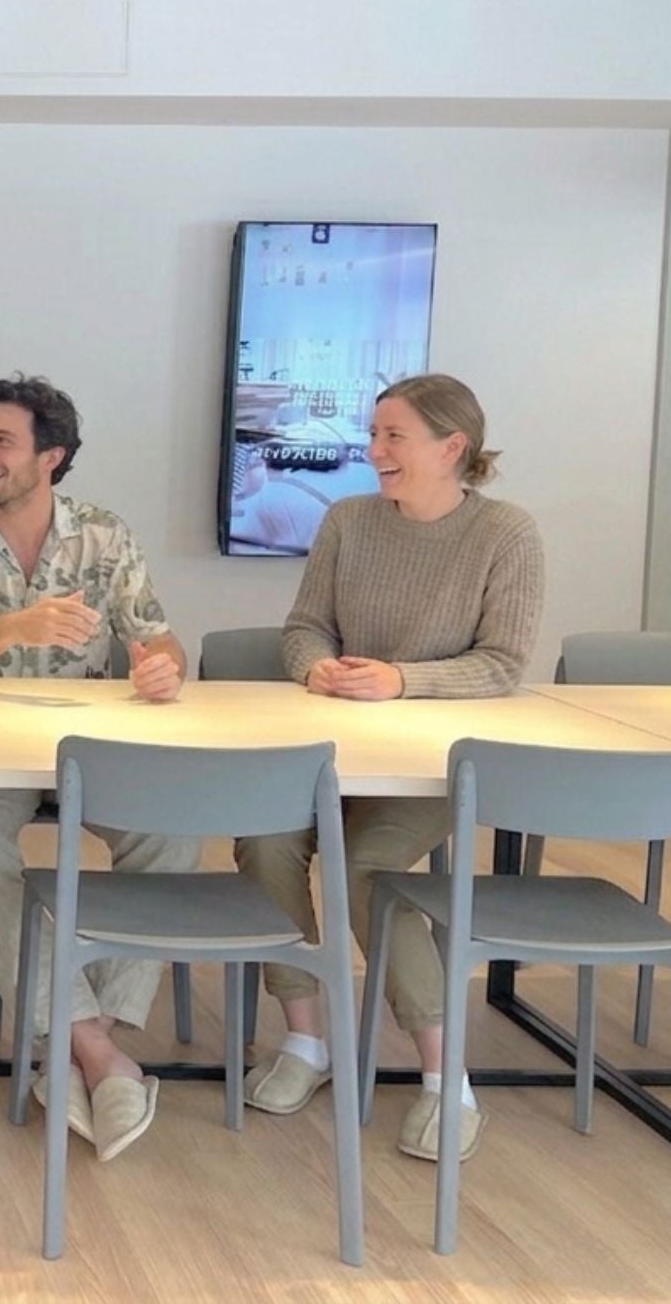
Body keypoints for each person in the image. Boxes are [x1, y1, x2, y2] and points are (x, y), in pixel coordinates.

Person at [237, 373, 543, 1164]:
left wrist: (403, 679)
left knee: (370, 871)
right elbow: (304, 627)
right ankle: (306, 1040)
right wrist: (315, 667)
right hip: (333, 749)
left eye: (393, 436)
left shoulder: (506, 533)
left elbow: (503, 663)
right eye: (374, 434)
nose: (374, 450)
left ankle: (447, 1079)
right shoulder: (348, 520)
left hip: (430, 764)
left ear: (452, 447)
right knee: (263, 841)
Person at [0, 375, 197, 1162]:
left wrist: (162, 668)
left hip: (86, 745)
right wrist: (15, 627)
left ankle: (83, 1038)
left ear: (51, 457)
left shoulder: (105, 535)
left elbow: (158, 636)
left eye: (2, 441)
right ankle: (97, 1051)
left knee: (172, 833)